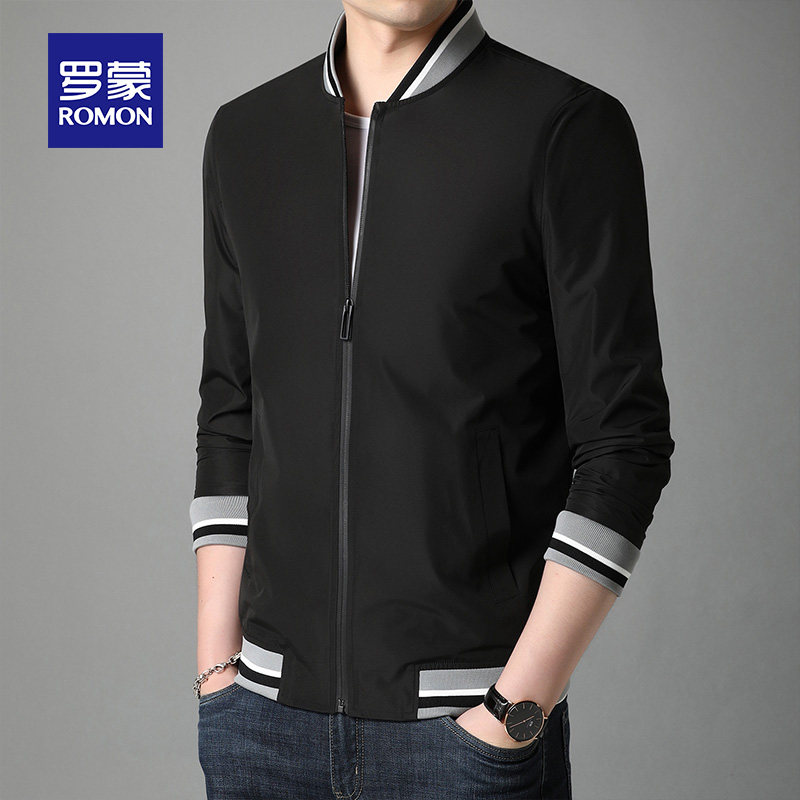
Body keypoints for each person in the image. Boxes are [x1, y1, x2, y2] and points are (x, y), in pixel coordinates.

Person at [190, 1, 675, 798]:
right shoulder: (246, 136)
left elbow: (626, 442)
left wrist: (515, 709)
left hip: (467, 732)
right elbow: (231, 413)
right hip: (261, 727)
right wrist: (219, 675)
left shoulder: (562, 129)